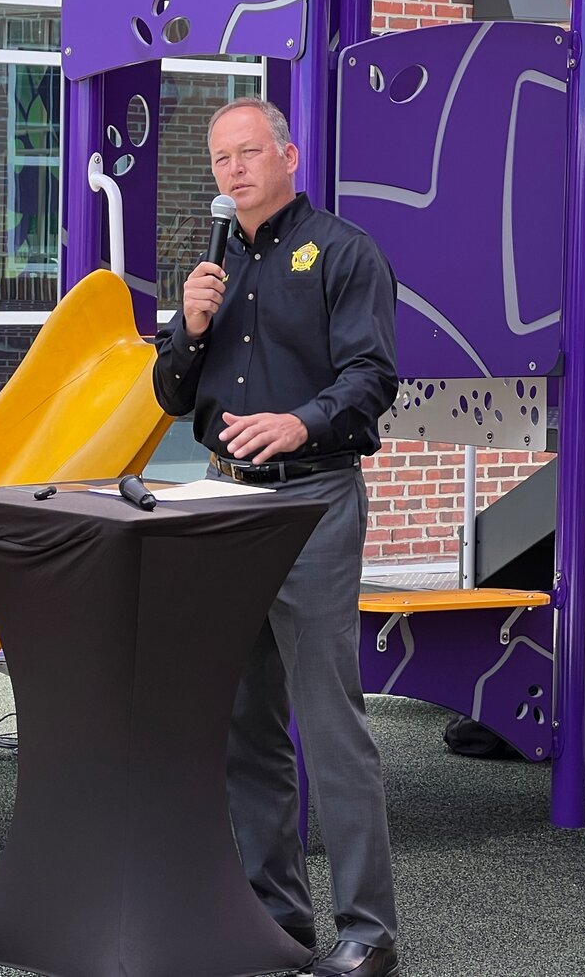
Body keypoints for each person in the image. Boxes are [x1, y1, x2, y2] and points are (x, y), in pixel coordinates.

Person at [152, 96, 401, 977]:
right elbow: (172, 397)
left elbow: (374, 375)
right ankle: (277, 915)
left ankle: (368, 930)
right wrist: (186, 329)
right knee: (243, 719)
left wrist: (302, 422)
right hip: (228, 503)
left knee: (330, 724)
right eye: (220, 159)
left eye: (248, 152)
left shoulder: (342, 253)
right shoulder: (209, 272)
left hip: (313, 505)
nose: (233, 170)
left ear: (289, 155)